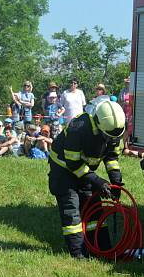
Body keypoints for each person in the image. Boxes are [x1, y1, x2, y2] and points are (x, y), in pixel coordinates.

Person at [47, 101, 125, 258]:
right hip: (63, 171)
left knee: (94, 210)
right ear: (98, 123)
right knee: (72, 211)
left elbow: (111, 158)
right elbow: (73, 163)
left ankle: (101, 249)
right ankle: (78, 254)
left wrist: (116, 182)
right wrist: (97, 181)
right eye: (107, 136)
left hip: (85, 172)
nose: (110, 139)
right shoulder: (79, 128)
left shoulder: (113, 131)